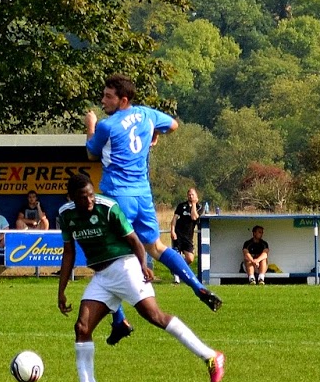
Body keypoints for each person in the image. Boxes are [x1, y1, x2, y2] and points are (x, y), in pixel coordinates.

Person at [56, 172, 224, 382]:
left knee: (154, 316)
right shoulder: (66, 215)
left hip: (125, 267)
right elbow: (69, 253)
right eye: (84, 197)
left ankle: (211, 356)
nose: (90, 201)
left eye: (92, 195)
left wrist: (143, 265)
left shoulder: (108, 207)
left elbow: (135, 240)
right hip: (102, 277)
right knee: (82, 327)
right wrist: (61, 290)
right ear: (71, 197)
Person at [86, 74, 221, 346]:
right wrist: (153, 135)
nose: (103, 100)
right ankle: (198, 286)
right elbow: (173, 125)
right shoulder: (146, 114)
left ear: (123, 100)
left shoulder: (107, 125)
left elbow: (91, 153)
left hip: (116, 196)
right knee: (157, 248)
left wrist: (90, 126)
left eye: (108, 96)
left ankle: (119, 320)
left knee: (103, 256)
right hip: (142, 194)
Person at [171, 188, 201, 266]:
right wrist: (172, 231)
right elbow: (174, 219)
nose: (191, 196)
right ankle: (176, 274)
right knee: (176, 255)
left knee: (190, 258)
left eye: (192, 195)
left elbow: (194, 217)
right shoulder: (181, 206)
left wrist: (194, 204)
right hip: (178, 234)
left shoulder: (199, 207)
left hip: (188, 236)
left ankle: (178, 268)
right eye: (189, 195)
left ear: (196, 196)